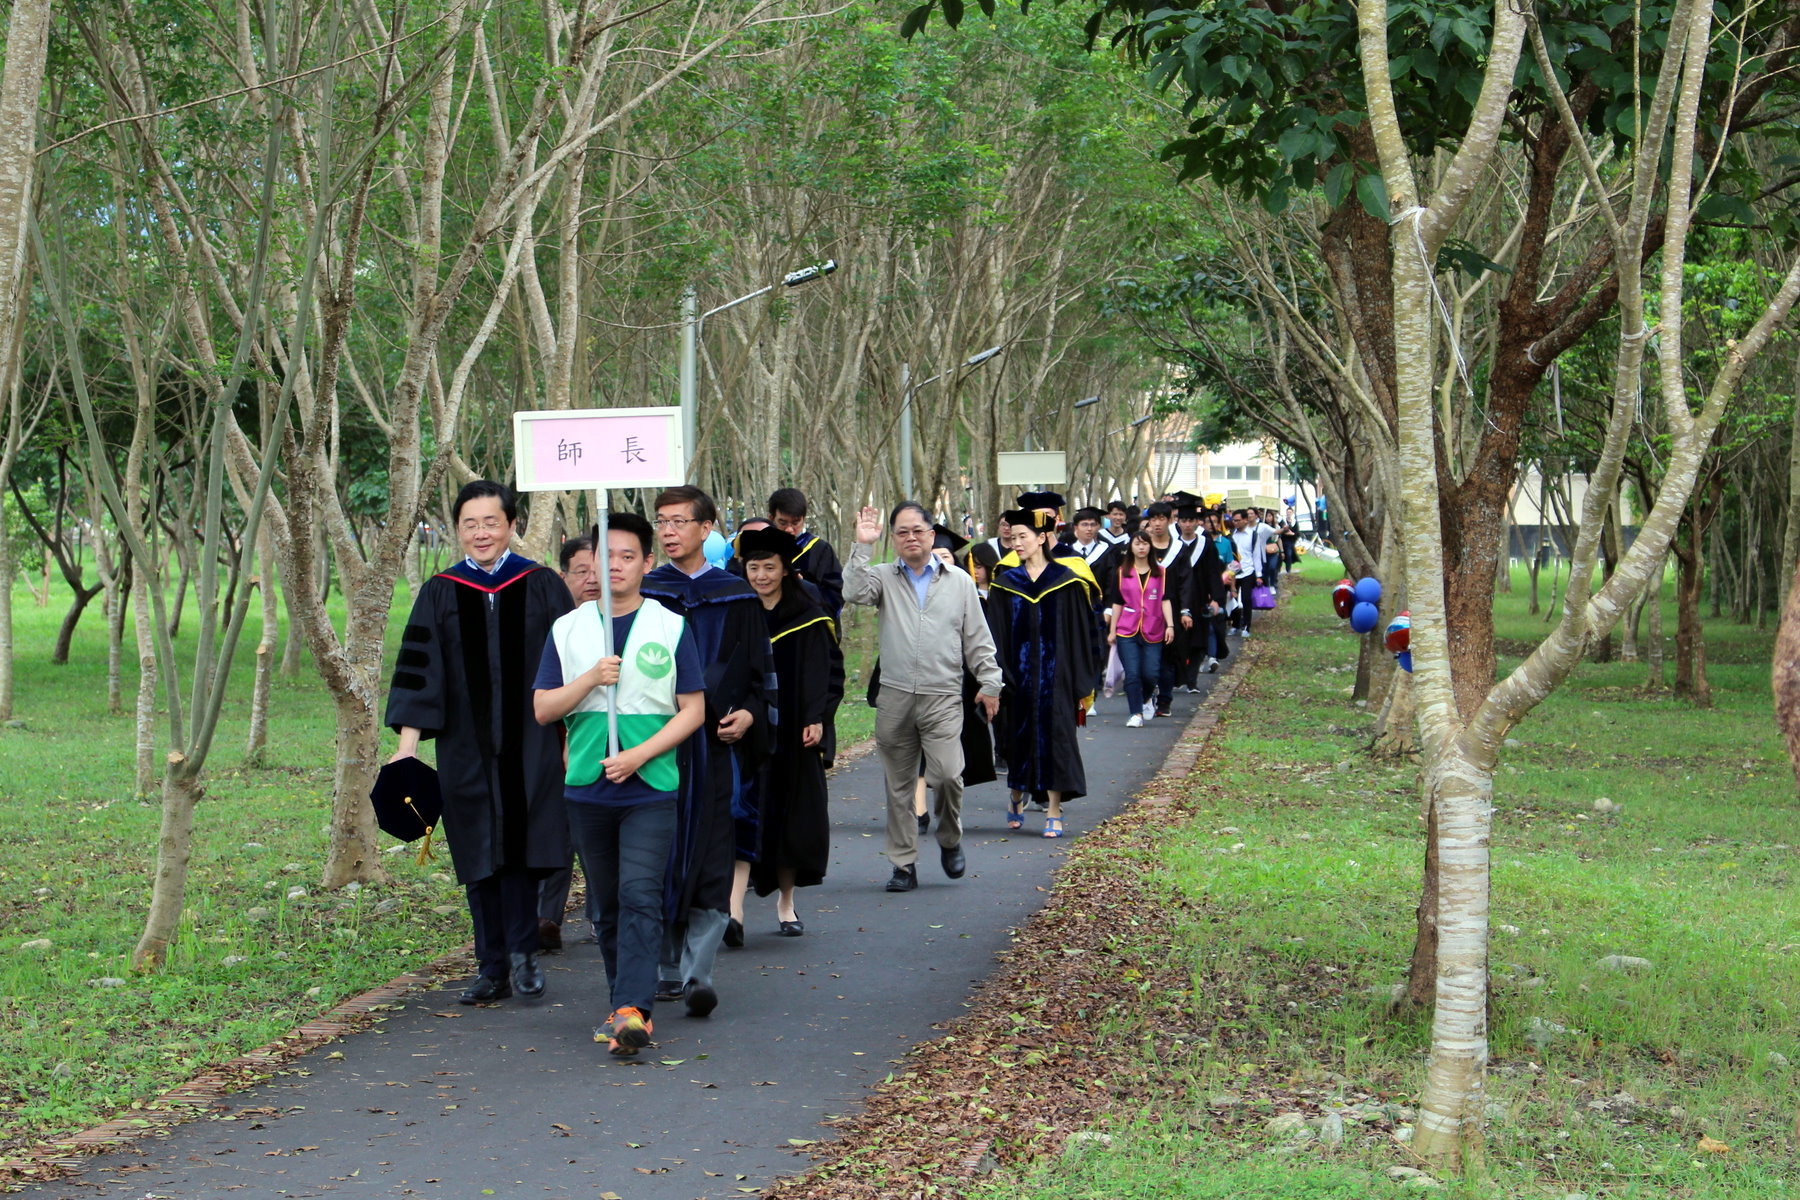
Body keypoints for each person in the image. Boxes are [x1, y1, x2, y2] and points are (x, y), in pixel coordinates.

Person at [384, 480, 573, 1005]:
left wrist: (569, 737)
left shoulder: (541, 584)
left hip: (533, 738)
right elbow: (420, 674)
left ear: (512, 525)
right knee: (478, 850)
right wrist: (407, 748)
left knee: (522, 847)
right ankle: (491, 967)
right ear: (458, 530)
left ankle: (522, 955)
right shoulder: (441, 590)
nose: (482, 532)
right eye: (471, 524)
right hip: (465, 743)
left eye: (492, 522)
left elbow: (572, 668)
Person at [533, 513, 705, 1056]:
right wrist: (589, 678)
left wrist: (638, 755)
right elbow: (542, 709)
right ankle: (622, 1007)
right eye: (606, 556)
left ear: (647, 564)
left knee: (639, 894)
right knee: (606, 904)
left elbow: (693, 710)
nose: (616, 566)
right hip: (586, 785)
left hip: (650, 784)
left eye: (628, 556)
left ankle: (635, 1008)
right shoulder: (570, 628)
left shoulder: (670, 625)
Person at [641, 486, 774, 1019]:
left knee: (713, 853)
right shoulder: (648, 591)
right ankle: (663, 965)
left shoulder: (736, 595)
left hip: (716, 751)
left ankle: (699, 971)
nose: (669, 531)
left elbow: (762, 675)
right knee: (658, 851)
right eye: (662, 522)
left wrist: (750, 715)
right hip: (657, 745)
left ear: (706, 528)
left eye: (679, 521)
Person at [844, 501, 1002, 892]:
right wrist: (862, 545)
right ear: (894, 539)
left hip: (943, 696)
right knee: (899, 786)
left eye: (918, 530)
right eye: (902, 532)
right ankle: (903, 864)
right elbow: (851, 590)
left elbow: (977, 639)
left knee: (948, 775)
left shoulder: (959, 582)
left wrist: (990, 681)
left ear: (931, 535)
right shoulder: (882, 577)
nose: (911, 537)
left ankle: (949, 838)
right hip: (895, 697)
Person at [729, 526, 845, 937]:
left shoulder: (809, 616)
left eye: (769, 567)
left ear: (784, 569)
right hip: (747, 732)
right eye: (753, 567)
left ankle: (786, 903)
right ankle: (734, 911)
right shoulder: (737, 611)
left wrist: (817, 718)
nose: (760, 575)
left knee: (789, 820)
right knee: (742, 813)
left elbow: (826, 673)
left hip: (795, 733)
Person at [988, 510, 1100, 838]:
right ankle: (1016, 795)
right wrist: (1000, 674)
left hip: (1057, 679)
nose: (1016, 542)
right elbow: (994, 634)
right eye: (1013, 537)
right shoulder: (1006, 583)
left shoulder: (1066, 581)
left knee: (1058, 741)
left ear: (1041, 538)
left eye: (1023, 536)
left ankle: (1053, 809)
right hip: (1018, 680)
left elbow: (1081, 634)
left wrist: (1081, 679)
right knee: (1018, 741)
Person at [538, 534, 603, 953]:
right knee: (556, 830)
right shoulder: (555, 626)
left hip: (606, 744)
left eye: (599, 570)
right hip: (553, 743)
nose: (592, 579)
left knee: (600, 833)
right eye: (582, 571)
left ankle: (602, 915)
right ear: (564, 577)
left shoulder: (619, 624)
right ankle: (547, 917)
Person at [1106, 530, 1173, 727]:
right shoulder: (1122, 572)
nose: (1141, 547)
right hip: (1127, 629)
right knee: (1133, 673)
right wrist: (1112, 630)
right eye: (1137, 544)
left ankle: (1146, 697)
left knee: (1151, 673)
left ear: (1150, 546)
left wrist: (1170, 625)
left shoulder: (1161, 572)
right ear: (1131, 547)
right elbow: (1117, 602)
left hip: (1154, 628)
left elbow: (1165, 600)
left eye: (1145, 544)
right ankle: (1136, 714)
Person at [768, 487, 844, 620]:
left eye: (795, 523)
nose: (789, 529)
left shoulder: (819, 550)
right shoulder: (761, 549)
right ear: (771, 518)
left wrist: (804, 588)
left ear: (803, 519)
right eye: (783, 523)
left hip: (808, 627)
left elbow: (835, 594)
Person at [1230, 509, 1265, 638]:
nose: (1235, 523)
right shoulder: (1231, 535)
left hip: (1248, 571)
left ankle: (1246, 626)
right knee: (1232, 599)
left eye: (1238, 520)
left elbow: (1256, 555)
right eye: (1234, 520)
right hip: (1233, 572)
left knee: (1246, 599)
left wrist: (1259, 574)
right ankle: (1235, 624)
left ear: (1245, 520)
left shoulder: (1253, 535)